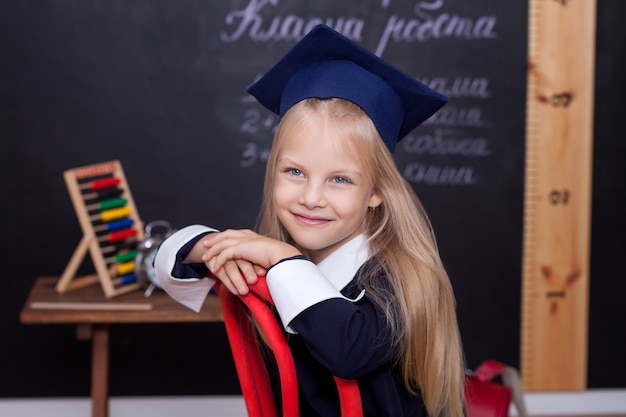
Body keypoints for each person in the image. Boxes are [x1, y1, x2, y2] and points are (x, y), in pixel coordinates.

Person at [154, 24, 465, 417]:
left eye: (339, 179)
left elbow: (348, 351)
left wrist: (284, 259)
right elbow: (166, 261)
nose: (312, 198)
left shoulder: (402, 280)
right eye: (295, 172)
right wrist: (209, 247)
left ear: (376, 192)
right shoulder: (270, 262)